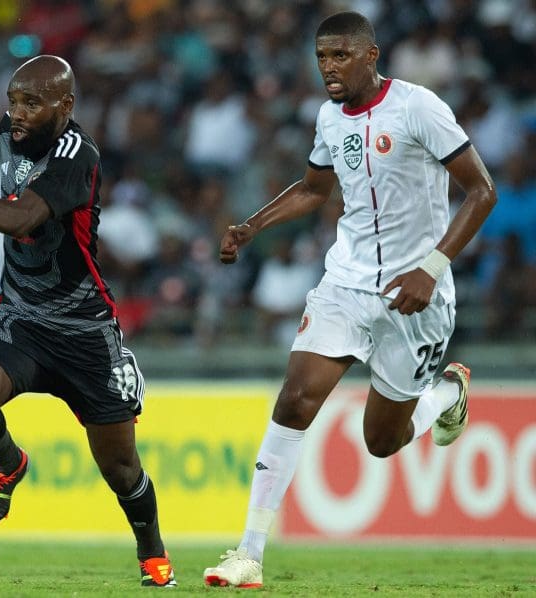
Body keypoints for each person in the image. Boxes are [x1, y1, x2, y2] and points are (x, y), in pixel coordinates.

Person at [202, 12, 496, 589]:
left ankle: (446, 395)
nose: (328, 69)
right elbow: (315, 188)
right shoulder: (328, 117)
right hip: (346, 284)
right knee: (294, 400)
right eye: (321, 58)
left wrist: (431, 269)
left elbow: (482, 191)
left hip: (418, 298)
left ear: (371, 55)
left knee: (381, 441)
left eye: (340, 56)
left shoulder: (419, 107)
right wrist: (250, 226)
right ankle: (248, 553)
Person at [0, 55, 176, 588]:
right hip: (21, 317)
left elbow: (21, 217)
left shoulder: (77, 155)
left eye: (31, 103)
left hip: (84, 329)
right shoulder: (10, 133)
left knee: (120, 469)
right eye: (12, 101)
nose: (16, 114)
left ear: (65, 106)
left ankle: (152, 552)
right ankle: (10, 464)